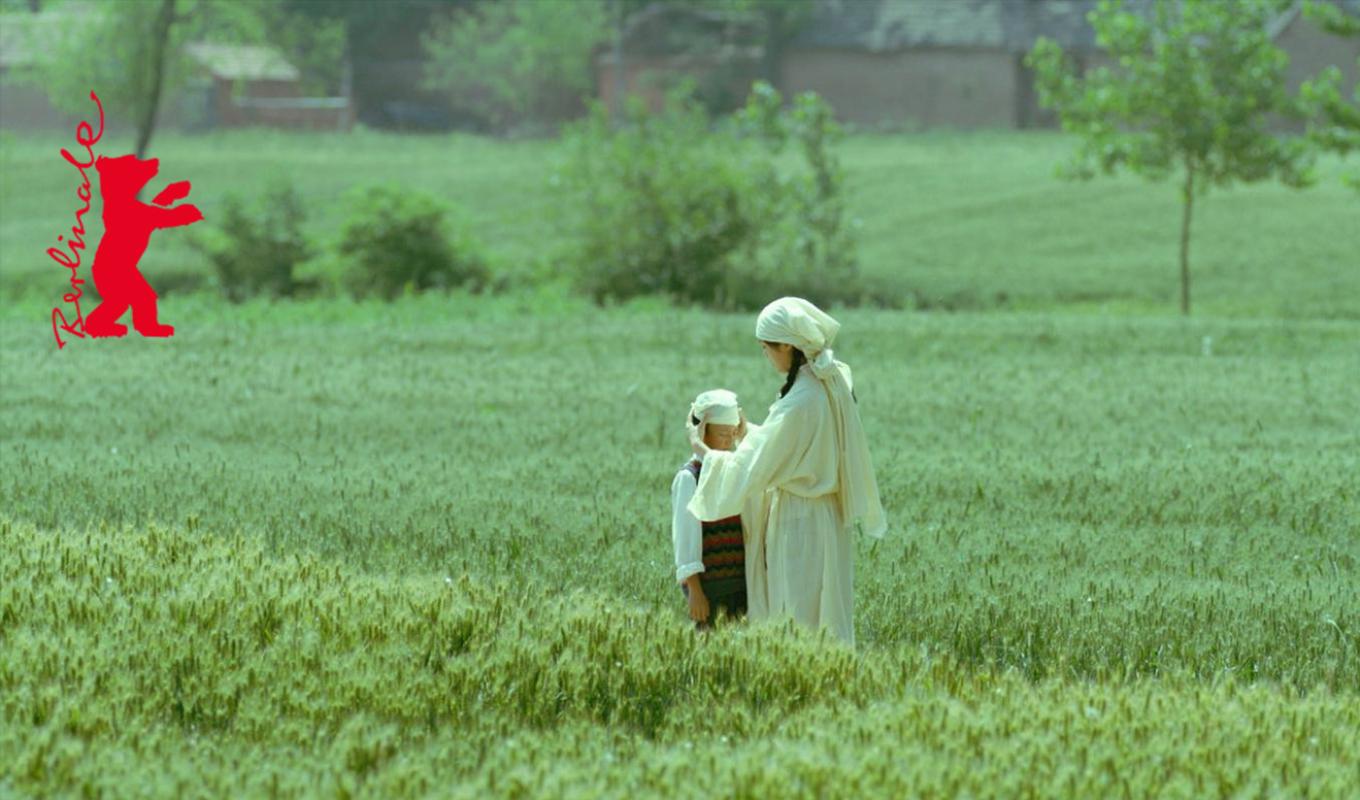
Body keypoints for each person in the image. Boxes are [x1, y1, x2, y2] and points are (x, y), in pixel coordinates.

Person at [686, 297, 886, 646]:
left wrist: (703, 450)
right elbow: (792, 448)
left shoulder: (800, 400)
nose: (765, 356)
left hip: (800, 523)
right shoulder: (823, 386)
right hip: (825, 518)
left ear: (787, 347)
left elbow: (754, 467)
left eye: (766, 348)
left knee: (798, 616)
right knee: (824, 616)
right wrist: (751, 434)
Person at [671, 389, 748, 631]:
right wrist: (694, 590)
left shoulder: (733, 471)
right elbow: (686, 537)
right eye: (722, 434)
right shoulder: (690, 478)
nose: (728, 441)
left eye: (733, 433)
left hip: (741, 585)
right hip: (710, 587)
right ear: (703, 432)